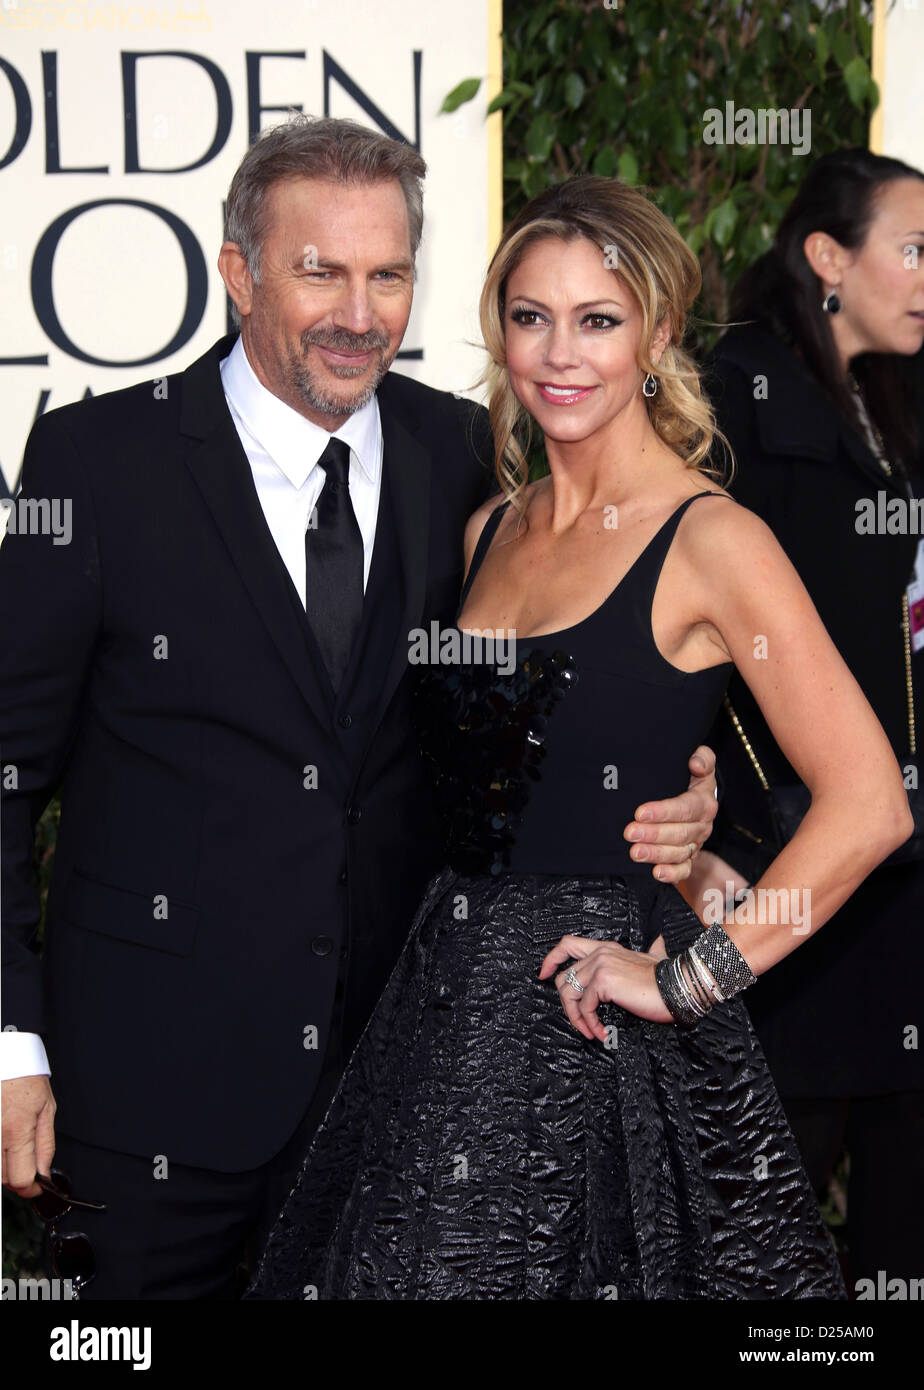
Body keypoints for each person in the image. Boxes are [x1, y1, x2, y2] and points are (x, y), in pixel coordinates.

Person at [0, 118, 719, 1300]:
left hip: (399, 1087)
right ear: (239, 273)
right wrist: (11, 1045)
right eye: (318, 269)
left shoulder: (468, 455)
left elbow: (558, 711)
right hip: (146, 1092)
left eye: (388, 273)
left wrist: (687, 800)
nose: (359, 310)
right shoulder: (100, 463)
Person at [245, 174, 911, 1301]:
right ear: (497, 326)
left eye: (597, 320)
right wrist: (695, 829)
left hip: (600, 1027)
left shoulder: (712, 538)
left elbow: (870, 801)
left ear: (653, 334)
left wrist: (693, 975)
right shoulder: (487, 524)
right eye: (530, 316)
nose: (560, 352)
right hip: (442, 1021)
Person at [692, 148, 924, 1289]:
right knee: (768, 1229)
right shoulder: (736, 391)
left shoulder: (900, 396)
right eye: (915, 249)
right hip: (804, 874)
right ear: (828, 258)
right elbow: (691, 641)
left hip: (908, 876)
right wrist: (727, 841)